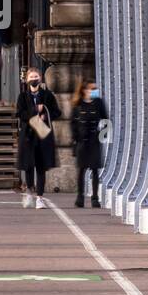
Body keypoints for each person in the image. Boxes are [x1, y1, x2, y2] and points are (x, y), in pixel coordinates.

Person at [15, 68, 61, 209]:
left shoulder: (48, 95)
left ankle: (40, 197)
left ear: (40, 78)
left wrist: (46, 115)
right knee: (29, 166)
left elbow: (57, 112)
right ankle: (29, 192)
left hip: (42, 134)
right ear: (27, 80)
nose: (34, 79)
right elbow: (20, 113)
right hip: (28, 135)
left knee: (41, 167)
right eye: (31, 76)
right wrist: (36, 111)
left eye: (36, 76)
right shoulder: (22, 96)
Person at [70, 79, 108, 208]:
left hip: (94, 141)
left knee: (95, 170)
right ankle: (79, 197)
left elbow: (106, 119)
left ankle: (95, 198)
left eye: (95, 88)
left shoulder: (99, 103)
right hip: (82, 142)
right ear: (84, 90)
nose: (94, 91)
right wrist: (75, 139)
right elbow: (73, 124)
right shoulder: (78, 105)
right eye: (92, 89)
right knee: (81, 170)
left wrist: (103, 138)